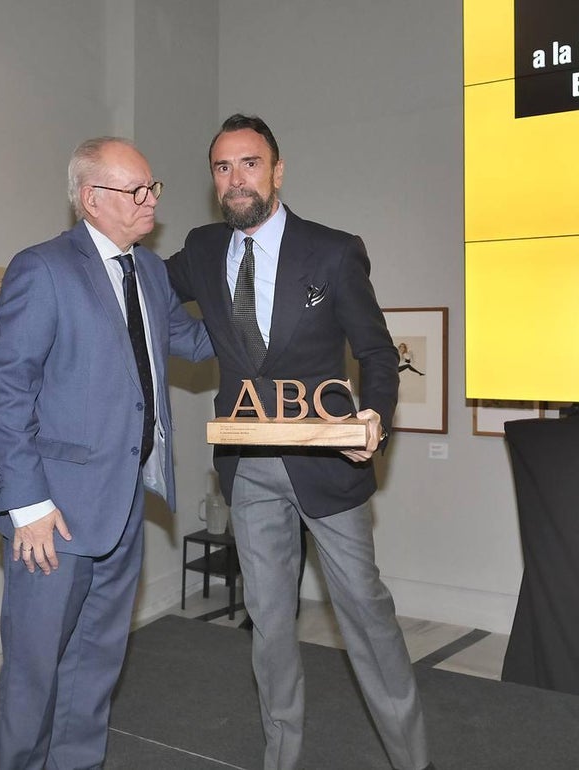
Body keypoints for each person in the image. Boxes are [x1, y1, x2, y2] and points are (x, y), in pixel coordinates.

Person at [166, 114, 432, 770]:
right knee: (269, 624)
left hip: (327, 465)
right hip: (246, 467)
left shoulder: (333, 251)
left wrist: (374, 415)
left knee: (367, 617)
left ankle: (413, 760)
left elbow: (374, 350)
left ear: (277, 171)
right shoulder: (201, 250)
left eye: (250, 163)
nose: (236, 179)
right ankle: (279, 756)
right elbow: (149, 287)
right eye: (223, 167)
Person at [0, 136, 212, 770]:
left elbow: (187, 340)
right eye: (137, 192)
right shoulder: (44, 268)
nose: (151, 204)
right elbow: (5, 392)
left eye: (153, 188)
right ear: (92, 198)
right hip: (52, 517)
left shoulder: (153, 270)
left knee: (94, 671)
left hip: (125, 502)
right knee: (35, 677)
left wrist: (257, 308)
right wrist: (26, 504)